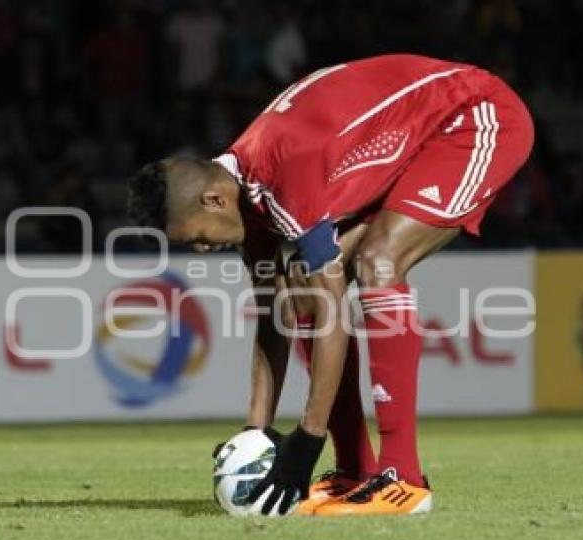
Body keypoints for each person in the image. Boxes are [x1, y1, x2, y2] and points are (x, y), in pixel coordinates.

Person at [127, 54, 534, 516]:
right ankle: (356, 470)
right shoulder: (248, 206)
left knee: (379, 261)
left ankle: (403, 480)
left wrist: (308, 436)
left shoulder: (282, 169)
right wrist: (255, 431)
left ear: (214, 200)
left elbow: (333, 311)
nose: (201, 251)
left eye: (197, 237)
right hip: (403, 141)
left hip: (473, 117)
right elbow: (273, 320)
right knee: (299, 285)